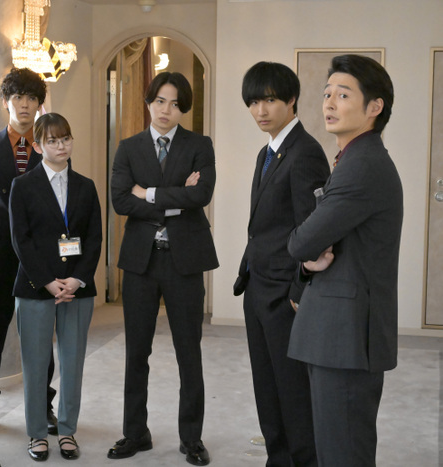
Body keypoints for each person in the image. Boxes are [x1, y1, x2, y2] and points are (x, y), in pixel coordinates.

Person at [287, 54, 402, 467]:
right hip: (338, 333)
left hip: (347, 337)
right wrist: (308, 259)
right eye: (327, 94)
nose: (330, 103)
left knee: (343, 453)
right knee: (335, 448)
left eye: (344, 95)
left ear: (375, 107)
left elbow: (303, 241)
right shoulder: (352, 159)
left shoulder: (362, 166)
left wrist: (304, 251)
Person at [108, 71, 218, 466]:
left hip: (184, 261)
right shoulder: (128, 148)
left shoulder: (199, 145)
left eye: (173, 103)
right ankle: (135, 433)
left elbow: (201, 194)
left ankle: (192, 439)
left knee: (189, 352)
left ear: (182, 108)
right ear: (148, 102)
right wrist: (177, 197)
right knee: (136, 352)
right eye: (159, 101)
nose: (165, 110)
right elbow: (121, 200)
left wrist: (150, 193)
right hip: (141, 262)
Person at [233, 61, 330, 466]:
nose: (260, 110)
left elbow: (313, 229)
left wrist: (297, 291)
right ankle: (278, 459)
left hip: (284, 293)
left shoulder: (305, 152)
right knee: (266, 387)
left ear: (291, 100)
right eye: (254, 102)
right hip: (258, 287)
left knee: (292, 391)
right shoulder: (267, 151)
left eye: (270, 100)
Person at [9, 113, 102, 461]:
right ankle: (37, 434)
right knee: (35, 365)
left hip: (78, 288)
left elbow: (94, 238)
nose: (61, 146)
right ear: (38, 146)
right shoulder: (23, 186)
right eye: (52, 140)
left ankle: (67, 431)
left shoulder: (86, 186)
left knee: (73, 363)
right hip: (36, 287)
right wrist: (48, 282)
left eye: (65, 138)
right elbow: (21, 240)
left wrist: (77, 279)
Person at [0, 67, 58, 437]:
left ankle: (44, 406)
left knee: (39, 336)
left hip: (38, 259)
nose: (25, 105)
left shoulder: (51, 147)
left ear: (39, 104)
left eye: (32, 98)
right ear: (5, 101)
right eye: (18, 97)